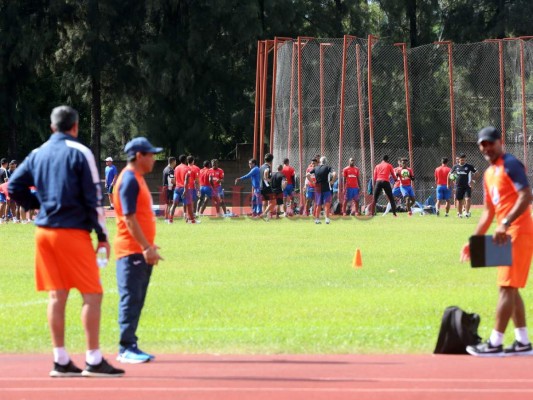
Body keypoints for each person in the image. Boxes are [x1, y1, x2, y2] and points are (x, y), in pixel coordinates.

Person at [8, 105, 124, 377]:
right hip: (72, 231)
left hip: (44, 232)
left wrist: (40, 204)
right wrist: (103, 236)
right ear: (75, 126)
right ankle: (93, 359)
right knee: (92, 294)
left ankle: (60, 359)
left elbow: (13, 186)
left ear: (52, 127)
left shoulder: (37, 153)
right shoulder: (80, 152)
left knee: (56, 295)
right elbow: (94, 199)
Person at [461, 127, 533, 357]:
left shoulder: (511, 164)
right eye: (482, 144)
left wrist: (506, 222)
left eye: (490, 143)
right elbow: (488, 213)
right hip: (505, 234)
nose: (486, 147)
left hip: (519, 231)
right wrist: (473, 241)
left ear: (500, 142)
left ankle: (495, 343)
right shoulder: (489, 174)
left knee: (506, 287)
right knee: (510, 288)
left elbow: (526, 195)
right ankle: (522, 342)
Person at [113, 137, 164, 364]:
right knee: (131, 298)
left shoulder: (138, 179)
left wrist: (150, 246)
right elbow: (129, 218)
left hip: (140, 250)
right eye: (151, 154)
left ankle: (131, 344)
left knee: (137, 299)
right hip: (131, 251)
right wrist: (145, 247)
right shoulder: (129, 180)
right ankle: (126, 348)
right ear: (139, 156)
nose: (154, 158)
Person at [307, 156, 336, 224]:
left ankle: (317, 219)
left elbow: (308, 175)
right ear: (326, 162)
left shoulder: (316, 168)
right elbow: (335, 174)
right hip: (326, 187)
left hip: (318, 188)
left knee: (318, 204)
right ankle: (327, 219)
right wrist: (332, 181)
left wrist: (312, 181)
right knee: (327, 203)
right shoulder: (328, 167)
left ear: (320, 162)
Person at [450, 154, 479, 218]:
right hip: (458, 186)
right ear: (459, 160)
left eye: (464, 160)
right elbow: (450, 175)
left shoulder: (469, 166)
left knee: (468, 199)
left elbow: (477, 173)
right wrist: (453, 179)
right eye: (461, 160)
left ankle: (467, 212)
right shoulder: (455, 167)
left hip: (467, 186)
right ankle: (460, 214)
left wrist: (473, 181)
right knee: (459, 200)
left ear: (465, 159)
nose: (462, 161)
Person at [259, 153, 275, 219]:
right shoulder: (267, 167)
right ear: (271, 160)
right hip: (267, 187)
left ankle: (265, 216)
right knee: (273, 202)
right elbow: (265, 174)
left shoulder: (261, 166)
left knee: (264, 202)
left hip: (261, 186)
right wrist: (269, 180)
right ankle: (264, 214)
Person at [162, 156, 176, 221]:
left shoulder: (165, 169)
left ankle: (166, 217)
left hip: (165, 187)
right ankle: (167, 217)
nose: (176, 163)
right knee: (170, 203)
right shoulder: (171, 170)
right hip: (169, 187)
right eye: (175, 161)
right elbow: (172, 181)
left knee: (167, 203)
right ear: (173, 162)